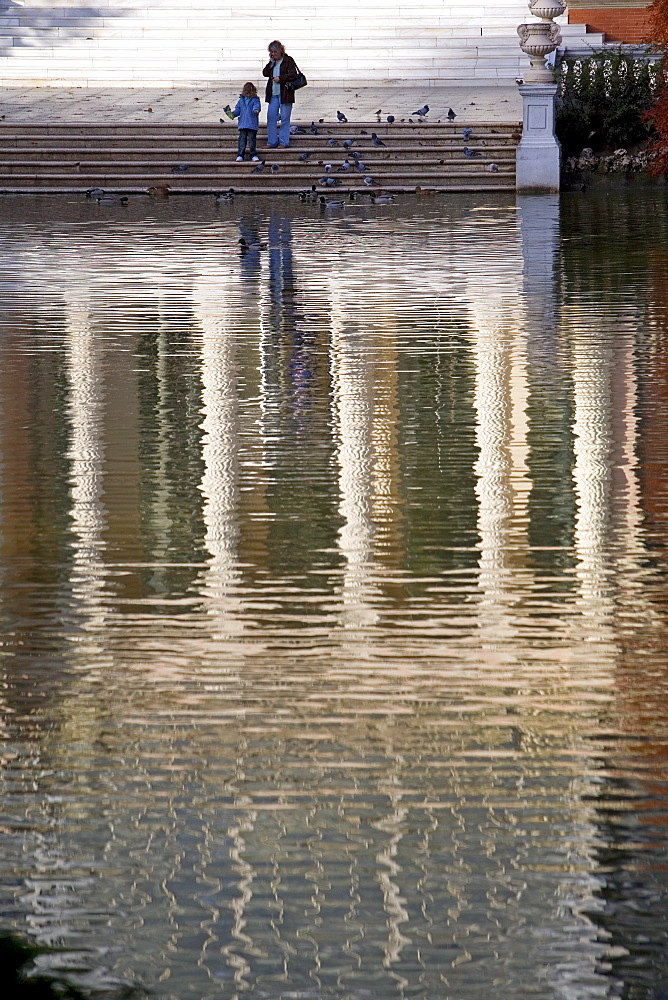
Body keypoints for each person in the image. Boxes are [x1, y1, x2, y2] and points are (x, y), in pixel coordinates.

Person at [262, 40, 298, 149]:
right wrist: (270, 63)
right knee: (271, 117)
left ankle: (284, 142)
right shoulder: (273, 63)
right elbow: (265, 73)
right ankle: (272, 141)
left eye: (275, 51)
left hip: (285, 94)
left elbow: (293, 74)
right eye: (271, 52)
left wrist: (281, 78)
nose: (273, 54)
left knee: (285, 118)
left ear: (280, 50)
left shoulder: (288, 60)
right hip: (273, 93)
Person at [231, 82, 262, 161]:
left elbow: (257, 106)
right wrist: (232, 114)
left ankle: (253, 154)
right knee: (242, 139)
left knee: (252, 139)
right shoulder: (241, 100)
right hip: (243, 124)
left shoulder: (255, 99)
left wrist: (256, 110)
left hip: (252, 123)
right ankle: (240, 154)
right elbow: (238, 109)